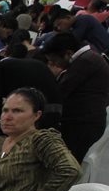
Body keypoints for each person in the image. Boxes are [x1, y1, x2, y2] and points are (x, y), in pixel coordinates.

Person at [41, 33, 109, 163]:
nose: (55, 64)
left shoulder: (86, 61)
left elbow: (61, 91)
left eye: (55, 60)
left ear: (68, 53)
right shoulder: (88, 58)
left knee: (67, 164)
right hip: (83, 122)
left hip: (83, 125)